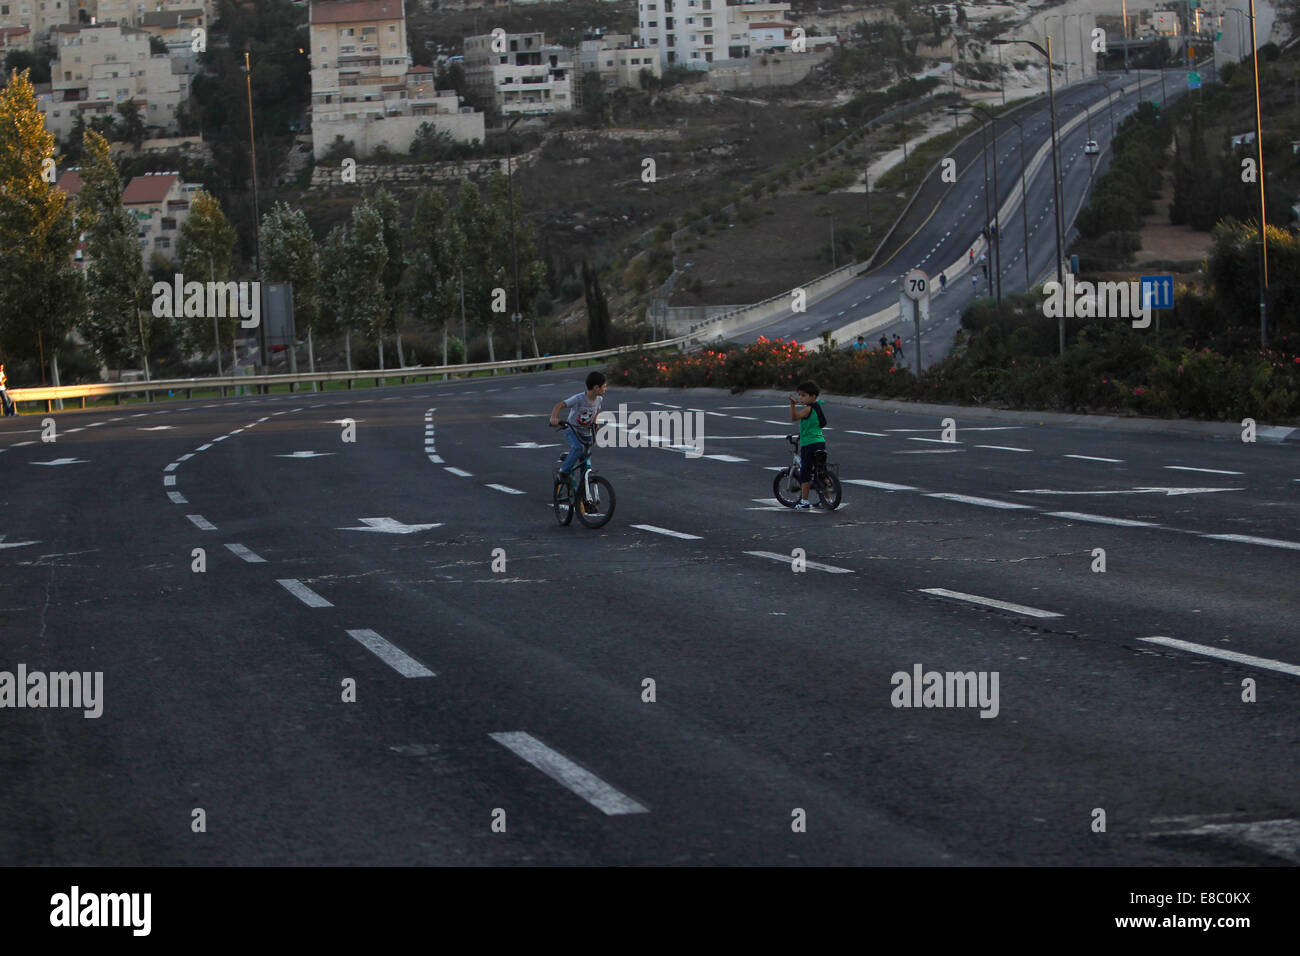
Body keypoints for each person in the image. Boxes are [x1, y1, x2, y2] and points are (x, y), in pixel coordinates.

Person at [549, 371, 607, 488]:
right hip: (573, 430)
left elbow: (597, 410)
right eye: (604, 386)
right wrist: (553, 418)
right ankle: (563, 472)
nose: (606, 388)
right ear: (596, 387)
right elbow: (559, 405)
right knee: (578, 448)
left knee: (585, 462)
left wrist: (595, 422)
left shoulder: (599, 399)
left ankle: (582, 490)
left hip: (587, 433)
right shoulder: (579, 398)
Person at [788, 380, 827, 511]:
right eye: (800, 395)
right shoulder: (818, 407)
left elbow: (794, 417)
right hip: (820, 441)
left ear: (813, 396)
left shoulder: (808, 409)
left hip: (809, 443)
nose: (801, 398)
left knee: (805, 471)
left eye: (804, 395)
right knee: (820, 471)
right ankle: (825, 498)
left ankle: (804, 500)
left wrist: (792, 405)